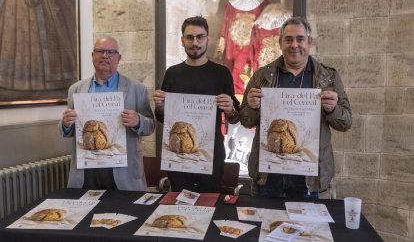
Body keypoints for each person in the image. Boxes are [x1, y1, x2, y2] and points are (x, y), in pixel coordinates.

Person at [240, 16, 352, 198]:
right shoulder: (262, 76)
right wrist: (252, 107)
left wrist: (333, 109)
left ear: (309, 42)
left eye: (300, 39)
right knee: (262, 224)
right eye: (288, 39)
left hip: (306, 179)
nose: (294, 45)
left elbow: (346, 122)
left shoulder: (328, 77)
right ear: (280, 42)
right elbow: (245, 120)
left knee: (304, 227)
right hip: (268, 177)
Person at [153, 16, 240, 193]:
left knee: (210, 202)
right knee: (179, 200)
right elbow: (162, 117)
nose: (195, 42)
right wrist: (161, 106)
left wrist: (230, 109)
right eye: (190, 37)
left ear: (208, 39)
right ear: (182, 40)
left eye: (200, 37)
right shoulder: (172, 73)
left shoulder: (221, 73)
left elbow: (235, 117)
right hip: (178, 154)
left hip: (211, 153)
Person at [59, 36, 155, 191]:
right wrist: (65, 123)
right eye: (100, 51)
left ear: (119, 58)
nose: (105, 55)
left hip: (123, 171)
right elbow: (68, 131)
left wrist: (138, 121)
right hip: (87, 170)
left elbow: (151, 126)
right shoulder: (76, 89)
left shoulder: (137, 89)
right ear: (92, 56)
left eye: (111, 52)